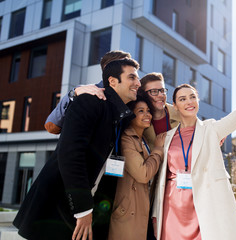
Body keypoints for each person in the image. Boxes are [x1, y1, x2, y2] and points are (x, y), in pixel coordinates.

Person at [13, 58, 141, 240]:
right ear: (112, 81)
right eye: (132, 78)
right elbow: (70, 154)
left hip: (90, 209)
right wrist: (83, 210)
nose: (138, 83)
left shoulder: (121, 115)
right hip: (58, 206)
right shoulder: (89, 101)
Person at [152, 60, 236, 240]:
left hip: (205, 204)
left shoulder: (211, 129)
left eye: (192, 97)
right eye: (182, 99)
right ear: (175, 106)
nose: (189, 102)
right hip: (172, 205)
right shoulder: (166, 137)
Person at [107, 95, 166, 239]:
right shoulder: (126, 139)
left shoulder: (143, 139)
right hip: (128, 211)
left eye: (148, 110)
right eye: (141, 111)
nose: (147, 115)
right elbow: (143, 174)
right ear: (130, 115)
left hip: (141, 207)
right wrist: (158, 149)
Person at [44, 50, 131, 134]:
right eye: (124, 65)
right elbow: (52, 125)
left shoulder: (131, 96)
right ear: (107, 69)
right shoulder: (87, 91)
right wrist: (73, 94)